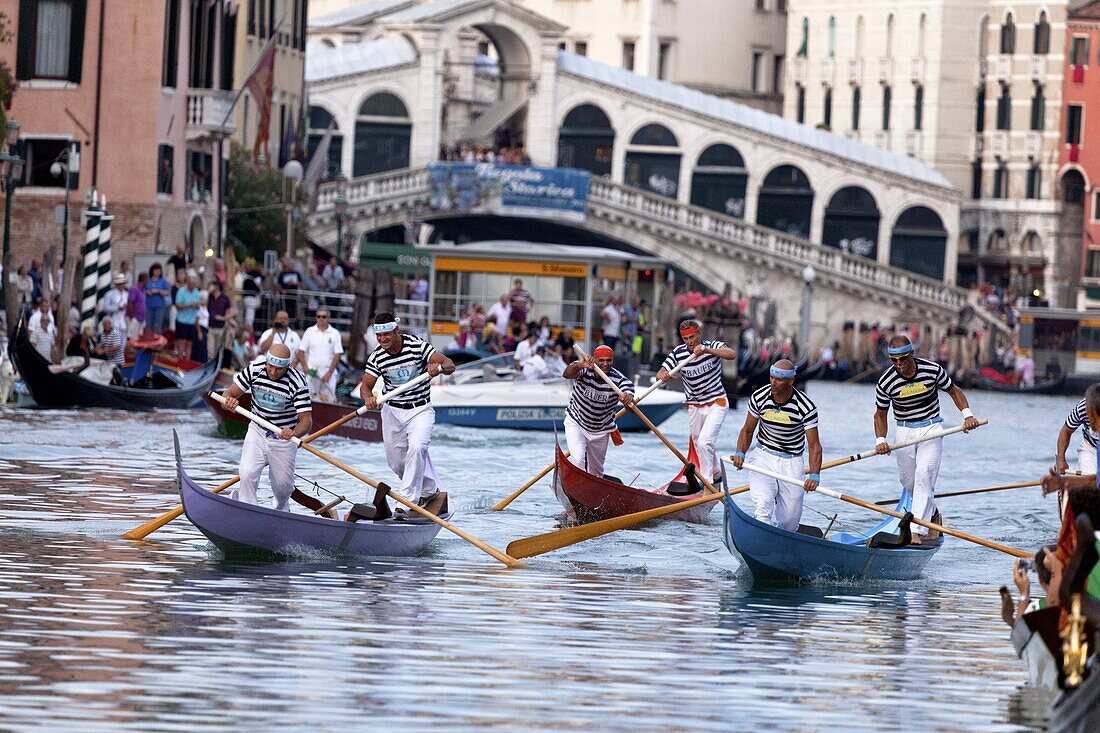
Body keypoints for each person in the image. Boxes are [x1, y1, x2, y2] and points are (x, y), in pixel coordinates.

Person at [873, 335, 981, 544]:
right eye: (894, 361)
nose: (899, 365)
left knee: (924, 476)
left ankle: (917, 532)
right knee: (909, 481)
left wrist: (967, 415)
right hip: (903, 432)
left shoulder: (932, 370)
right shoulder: (886, 381)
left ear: (912, 354)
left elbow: (954, 391)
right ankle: (932, 514)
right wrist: (880, 439)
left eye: (903, 359)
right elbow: (880, 414)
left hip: (931, 429)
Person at [360, 312, 455, 510]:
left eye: (387, 334)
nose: (383, 339)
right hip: (392, 411)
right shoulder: (377, 356)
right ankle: (428, 489)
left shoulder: (417, 346)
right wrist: (368, 398)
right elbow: (365, 386)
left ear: (396, 331)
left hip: (420, 410)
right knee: (396, 463)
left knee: (417, 448)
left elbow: (449, 364)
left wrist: (438, 368)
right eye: (379, 336)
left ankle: (406, 502)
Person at [730, 359, 822, 530]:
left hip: (792, 461)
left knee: (789, 521)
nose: (773, 382)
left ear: (791, 381)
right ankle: (761, 538)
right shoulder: (759, 397)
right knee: (763, 505)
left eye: (779, 379)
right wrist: (740, 453)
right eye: (771, 377)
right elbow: (747, 430)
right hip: (763, 457)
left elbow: (814, 445)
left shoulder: (806, 407)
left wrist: (814, 475)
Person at [221, 343, 312, 511]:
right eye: (270, 366)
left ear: (287, 366)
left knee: (283, 487)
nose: (273, 372)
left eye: (279, 369)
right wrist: (229, 402)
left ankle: (280, 509)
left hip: (283, 437)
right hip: (257, 430)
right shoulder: (254, 369)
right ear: (266, 362)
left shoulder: (297, 382)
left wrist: (293, 432)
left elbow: (306, 421)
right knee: (247, 473)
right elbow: (228, 395)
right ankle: (248, 508)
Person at [657, 319, 737, 485]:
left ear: (699, 334)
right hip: (694, 405)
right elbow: (661, 371)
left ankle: (707, 481)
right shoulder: (678, 353)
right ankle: (716, 473)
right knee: (699, 442)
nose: (690, 342)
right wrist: (663, 375)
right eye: (686, 339)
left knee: (705, 441)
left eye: (692, 337)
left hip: (717, 402)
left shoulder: (712, 345)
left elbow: (731, 354)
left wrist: (707, 350)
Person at [561, 344, 634, 477]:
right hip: (576, 422)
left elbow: (630, 405)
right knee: (578, 460)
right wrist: (579, 365)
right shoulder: (584, 369)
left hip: (601, 430)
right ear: (594, 359)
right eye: (601, 360)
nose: (605, 364)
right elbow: (566, 374)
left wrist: (628, 400)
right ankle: (575, 483)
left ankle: (590, 491)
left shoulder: (620, 380)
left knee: (596, 473)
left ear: (613, 361)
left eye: (608, 360)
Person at [298, 309, 344, 403]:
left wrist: (329, 373)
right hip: (311, 373)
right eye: (318, 316)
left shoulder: (335, 333)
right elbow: (301, 351)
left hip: (328, 374)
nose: (321, 319)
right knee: (308, 401)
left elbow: (337, 354)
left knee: (328, 401)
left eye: (324, 317)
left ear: (328, 318)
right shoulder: (309, 331)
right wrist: (305, 368)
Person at [1057, 395, 1097, 480]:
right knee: (1091, 483)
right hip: (1090, 449)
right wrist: (1061, 460)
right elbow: (1066, 431)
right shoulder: (1083, 407)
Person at [174, 274, 201, 358]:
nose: (194, 286)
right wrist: (189, 305)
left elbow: (198, 305)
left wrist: (197, 305)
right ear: (188, 283)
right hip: (182, 321)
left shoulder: (196, 292)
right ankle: (180, 360)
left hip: (192, 321)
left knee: (190, 343)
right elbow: (177, 306)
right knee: (182, 342)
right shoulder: (181, 291)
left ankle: (187, 361)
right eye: (192, 284)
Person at [206, 281, 233, 362]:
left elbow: (232, 312)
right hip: (210, 327)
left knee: (219, 350)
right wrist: (208, 292)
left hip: (221, 328)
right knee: (210, 350)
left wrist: (223, 318)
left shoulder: (225, 298)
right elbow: (202, 299)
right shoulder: (209, 297)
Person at [144, 264, 171, 334]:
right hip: (148, 306)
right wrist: (147, 292)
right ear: (152, 271)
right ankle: (149, 341)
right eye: (156, 270)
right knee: (148, 325)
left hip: (159, 306)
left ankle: (157, 342)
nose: (157, 272)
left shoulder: (163, 281)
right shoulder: (147, 280)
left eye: (159, 270)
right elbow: (142, 290)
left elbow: (168, 292)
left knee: (158, 325)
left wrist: (159, 291)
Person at [127, 273, 148, 339]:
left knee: (139, 338)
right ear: (143, 279)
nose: (148, 281)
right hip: (135, 318)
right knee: (133, 339)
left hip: (141, 318)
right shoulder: (134, 289)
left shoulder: (143, 290)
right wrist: (132, 318)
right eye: (147, 279)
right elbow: (130, 303)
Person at [192, 291, 210, 363]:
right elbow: (197, 320)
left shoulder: (205, 307)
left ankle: (203, 362)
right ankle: (198, 362)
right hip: (200, 328)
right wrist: (199, 332)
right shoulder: (199, 308)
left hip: (205, 328)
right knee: (200, 347)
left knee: (203, 347)